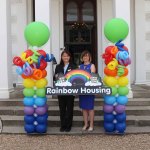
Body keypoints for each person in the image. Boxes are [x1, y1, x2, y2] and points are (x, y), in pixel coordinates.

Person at [54, 50, 76, 132]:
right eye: (64, 56)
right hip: (60, 91)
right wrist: (56, 77)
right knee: (62, 109)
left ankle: (69, 125)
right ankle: (62, 125)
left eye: (67, 56)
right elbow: (55, 78)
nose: (65, 57)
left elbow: (75, 79)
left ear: (69, 57)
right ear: (61, 57)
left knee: (69, 109)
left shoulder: (73, 66)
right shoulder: (58, 66)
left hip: (70, 92)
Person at [79, 50, 96, 131]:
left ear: (89, 57)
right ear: (82, 58)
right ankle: (86, 124)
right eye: (84, 56)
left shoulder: (92, 66)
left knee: (90, 108)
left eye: (87, 56)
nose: (85, 57)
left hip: (89, 90)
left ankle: (91, 125)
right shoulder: (80, 67)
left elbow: (92, 77)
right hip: (82, 90)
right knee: (84, 108)